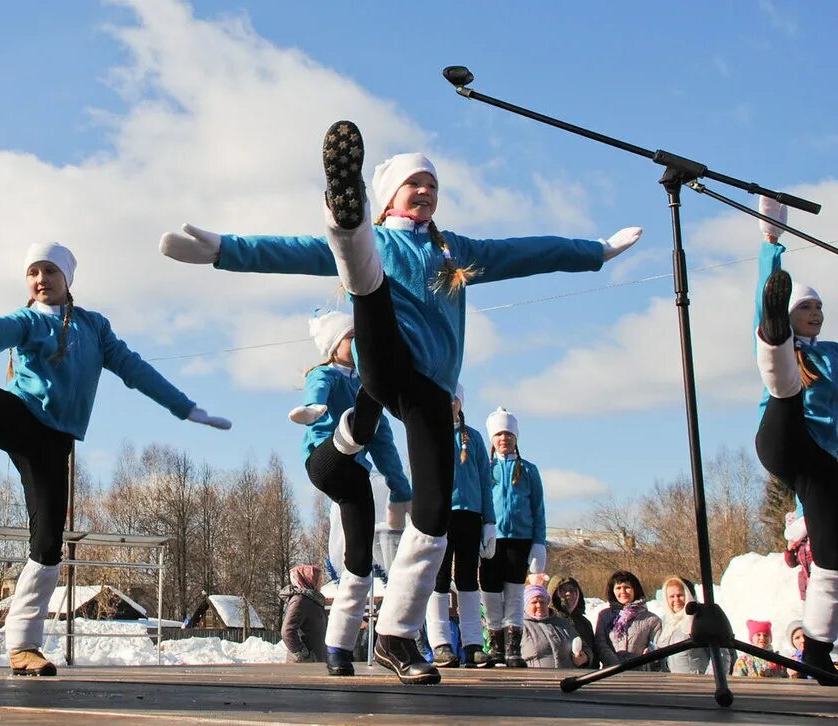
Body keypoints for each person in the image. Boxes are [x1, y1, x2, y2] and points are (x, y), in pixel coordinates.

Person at [159, 120, 641, 683]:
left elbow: (524, 252)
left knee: (432, 516)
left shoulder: (454, 248)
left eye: (433, 185)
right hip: (385, 361)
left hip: (430, 391)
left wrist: (594, 253)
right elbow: (288, 250)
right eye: (415, 184)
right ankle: (347, 226)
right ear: (389, 196)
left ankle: (395, 635)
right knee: (367, 282)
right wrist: (222, 250)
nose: (427, 192)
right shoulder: (387, 239)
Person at [0, 242, 231, 677]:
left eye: (50, 271)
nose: (40, 279)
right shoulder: (28, 320)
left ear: (68, 278)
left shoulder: (95, 328)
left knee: (48, 543)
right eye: (33, 272)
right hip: (22, 418)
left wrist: (184, 407)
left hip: (55, 443)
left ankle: (23, 648)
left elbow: (135, 369)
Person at [289, 310, 411, 676]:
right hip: (325, 459)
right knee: (364, 410)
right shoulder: (324, 374)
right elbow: (317, 389)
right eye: (350, 339)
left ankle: (338, 648)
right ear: (334, 346)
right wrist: (312, 410)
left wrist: (400, 487)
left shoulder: (366, 390)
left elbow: (386, 445)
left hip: (355, 474)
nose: (357, 345)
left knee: (358, 561)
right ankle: (351, 428)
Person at [753, 197, 838, 684]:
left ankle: (819, 651)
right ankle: (773, 331)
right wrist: (771, 244)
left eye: (820, 307)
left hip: (818, 458)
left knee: (832, 558)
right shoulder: (792, 341)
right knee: (782, 378)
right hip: (782, 436)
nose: (818, 314)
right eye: (807, 306)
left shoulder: (832, 354)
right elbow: (774, 295)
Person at [425, 384, 494, 670]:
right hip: (441, 515)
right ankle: (440, 644)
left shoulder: (474, 438)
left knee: (467, 580)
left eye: (453, 399)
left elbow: (485, 483)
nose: (448, 403)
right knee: (438, 580)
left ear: (460, 403)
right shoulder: (430, 433)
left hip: (470, 516)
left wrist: (489, 521)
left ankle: (473, 644)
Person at [480, 407, 547, 669]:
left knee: (515, 593)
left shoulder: (529, 471)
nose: (503, 439)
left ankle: (512, 646)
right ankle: (494, 644)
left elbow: (538, 508)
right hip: (492, 537)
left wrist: (539, 541)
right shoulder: (486, 469)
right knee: (491, 592)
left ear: (516, 438)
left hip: (520, 539)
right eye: (499, 435)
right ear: (492, 439)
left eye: (508, 434)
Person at [594, 570, 661, 670]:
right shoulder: (604, 616)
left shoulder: (651, 620)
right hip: (610, 674)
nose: (623, 592)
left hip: (640, 675)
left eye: (627, 587)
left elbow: (658, 646)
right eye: (618, 588)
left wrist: (649, 654)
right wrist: (615, 664)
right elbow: (600, 644)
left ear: (635, 589)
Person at [520, 584, 591, 669]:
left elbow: (585, 648)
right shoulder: (520, 627)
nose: (539, 605)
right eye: (534, 602)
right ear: (525, 605)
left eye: (542, 602)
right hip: (534, 679)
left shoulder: (563, 624)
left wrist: (585, 657)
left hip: (567, 678)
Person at [655, 576, 709, 674]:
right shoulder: (665, 622)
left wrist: (711, 680)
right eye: (671, 596)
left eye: (680, 595)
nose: (676, 600)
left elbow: (721, 654)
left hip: (698, 682)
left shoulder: (700, 618)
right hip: (673, 683)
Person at [547, 575, 597, 669]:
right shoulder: (549, 622)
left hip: (583, 676)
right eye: (563, 590)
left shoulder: (584, 623)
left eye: (573, 590)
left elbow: (594, 655)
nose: (568, 593)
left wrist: (587, 658)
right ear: (554, 594)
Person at [280, 565, 327, 663]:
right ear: (307, 579)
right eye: (317, 578)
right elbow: (287, 631)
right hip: (304, 665)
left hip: (317, 662)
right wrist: (303, 654)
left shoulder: (313, 599)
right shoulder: (300, 600)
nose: (320, 581)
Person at [782, 507, 813, 602]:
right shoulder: (797, 546)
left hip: (817, 579)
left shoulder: (811, 540)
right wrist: (789, 550)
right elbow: (791, 564)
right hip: (805, 585)